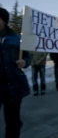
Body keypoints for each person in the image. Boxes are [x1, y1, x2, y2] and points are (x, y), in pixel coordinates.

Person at [0, 7, 32, 138]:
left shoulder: (16, 38)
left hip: (13, 86)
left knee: (13, 121)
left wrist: (24, 62)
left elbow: (28, 56)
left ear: (4, 21)